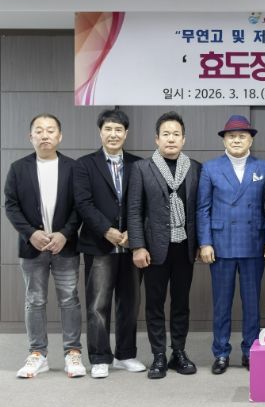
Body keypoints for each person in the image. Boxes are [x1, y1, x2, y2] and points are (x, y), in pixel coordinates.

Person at [4, 113, 86, 378]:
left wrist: (65, 233)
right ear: (30, 137)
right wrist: (30, 234)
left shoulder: (73, 168)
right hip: (32, 248)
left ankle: (72, 352)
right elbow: (11, 206)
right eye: (38, 131)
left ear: (60, 136)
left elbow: (80, 206)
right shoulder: (18, 168)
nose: (44, 135)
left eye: (50, 130)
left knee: (69, 299)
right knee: (35, 300)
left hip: (66, 246)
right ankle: (37, 354)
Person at [197, 115, 265, 375]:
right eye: (232, 136)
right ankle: (221, 352)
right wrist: (205, 242)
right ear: (224, 141)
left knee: (252, 302)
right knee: (222, 303)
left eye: (242, 136)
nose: (237, 140)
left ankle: (250, 350)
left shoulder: (262, 167)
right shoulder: (210, 168)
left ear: (251, 139)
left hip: (253, 241)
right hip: (221, 244)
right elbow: (203, 208)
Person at [127, 111, 201, 379]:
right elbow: (134, 210)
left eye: (176, 134)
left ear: (184, 139)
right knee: (155, 304)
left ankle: (178, 352)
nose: (171, 139)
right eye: (166, 134)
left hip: (185, 247)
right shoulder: (142, 168)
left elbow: (199, 210)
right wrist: (138, 246)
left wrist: (201, 243)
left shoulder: (195, 168)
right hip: (153, 248)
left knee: (181, 303)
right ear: (157, 139)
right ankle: (158, 355)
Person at [73, 109, 145, 378]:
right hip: (99, 244)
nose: (113, 134)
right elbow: (83, 203)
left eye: (118, 130)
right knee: (98, 304)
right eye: (108, 129)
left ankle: (125, 355)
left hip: (131, 244)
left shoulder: (139, 164)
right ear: (100, 132)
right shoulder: (84, 165)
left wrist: (132, 234)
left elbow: (144, 203)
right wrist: (107, 230)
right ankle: (100, 357)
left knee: (129, 303)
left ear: (126, 133)